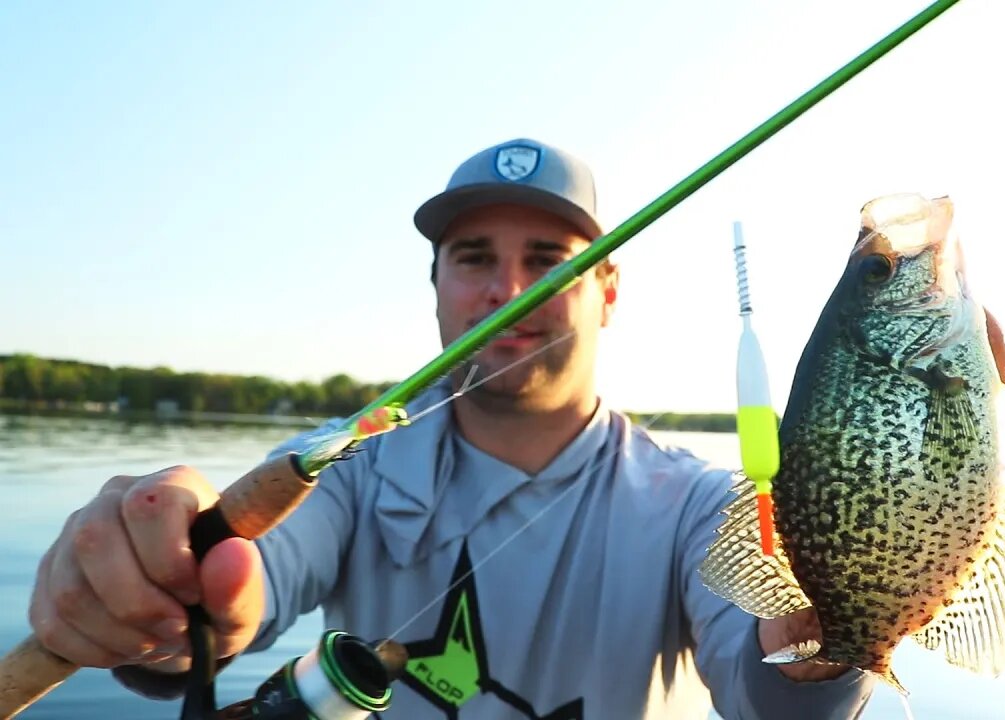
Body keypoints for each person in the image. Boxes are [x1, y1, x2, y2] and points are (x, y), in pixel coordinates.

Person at [27, 138, 875, 718]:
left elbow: (776, 694)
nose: (508, 290)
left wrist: (819, 637)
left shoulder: (700, 504)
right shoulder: (349, 467)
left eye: (551, 260)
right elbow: (244, 582)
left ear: (608, 291)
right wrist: (167, 581)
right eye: (475, 258)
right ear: (434, 283)